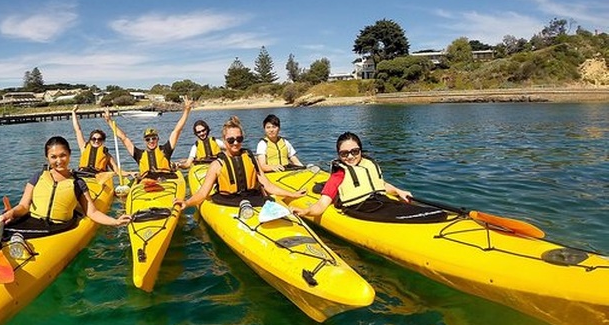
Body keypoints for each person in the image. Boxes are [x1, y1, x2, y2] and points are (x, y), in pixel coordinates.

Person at [0, 136, 130, 236]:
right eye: (53, 157)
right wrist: (11, 213)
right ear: (47, 158)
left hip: (59, 229)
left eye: (63, 155)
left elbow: (92, 212)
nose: (59, 161)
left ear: (69, 154)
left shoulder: (78, 183)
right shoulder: (38, 176)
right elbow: (23, 206)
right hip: (32, 222)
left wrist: (116, 221)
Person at [292, 132, 428, 221]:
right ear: (339, 155)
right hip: (361, 209)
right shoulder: (339, 174)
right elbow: (322, 204)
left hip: (380, 201)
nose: (350, 157)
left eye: (354, 151)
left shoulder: (367, 165)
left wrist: (399, 191)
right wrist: (305, 211)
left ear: (361, 151)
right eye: (344, 154)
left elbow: (381, 184)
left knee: (432, 213)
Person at [176, 116, 306, 209]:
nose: (236, 143)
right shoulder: (217, 165)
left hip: (254, 199)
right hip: (228, 202)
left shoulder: (250, 158)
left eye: (239, 139)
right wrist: (187, 203)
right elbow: (203, 193)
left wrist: (292, 194)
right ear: (224, 140)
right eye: (231, 140)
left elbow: (267, 185)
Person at [104, 96, 193, 179]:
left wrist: (187, 110)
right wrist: (109, 121)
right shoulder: (139, 154)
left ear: (158, 139)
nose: (151, 141)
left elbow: (177, 130)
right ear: (144, 141)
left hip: (166, 179)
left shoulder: (166, 149)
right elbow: (123, 138)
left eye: (153, 138)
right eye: (148, 139)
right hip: (147, 181)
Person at [71, 105, 121, 176]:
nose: (96, 141)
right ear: (90, 140)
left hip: (98, 179)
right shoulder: (84, 147)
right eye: (94, 139)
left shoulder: (107, 155)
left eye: (99, 139)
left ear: (103, 141)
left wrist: (131, 173)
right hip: (84, 177)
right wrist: (73, 113)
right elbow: (78, 130)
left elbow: (118, 171)